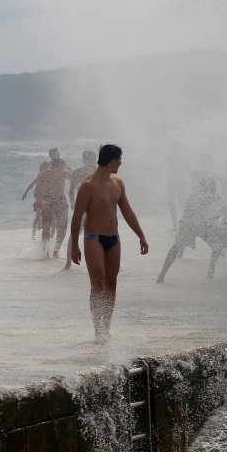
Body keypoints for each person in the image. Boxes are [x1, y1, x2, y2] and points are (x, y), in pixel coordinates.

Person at [70, 144, 149, 343]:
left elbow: (127, 211)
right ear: (112, 160)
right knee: (98, 283)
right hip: (93, 238)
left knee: (112, 284)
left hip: (114, 239)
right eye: (119, 159)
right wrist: (74, 246)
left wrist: (141, 235)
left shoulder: (118, 183)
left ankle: (106, 327)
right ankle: (98, 330)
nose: (121, 163)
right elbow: (77, 216)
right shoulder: (88, 185)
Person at [157, 177, 225, 283]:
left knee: (175, 248)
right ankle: (211, 272)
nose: (214, 189)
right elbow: (218, 212)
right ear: (209, 188)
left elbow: (187, 216)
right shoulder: (210, 197)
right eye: (212, 187)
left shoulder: (193, 197)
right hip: (197, 226)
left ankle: (162, 274)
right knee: (219, 245)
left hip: (193, 227)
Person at [63, 151, 98, 270]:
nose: (88, 161)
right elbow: (71, 190)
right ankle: (68, 263)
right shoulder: (77, 173)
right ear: (83, 160)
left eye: (91, 159)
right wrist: (72, 202)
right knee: (74, 234)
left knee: (102, 234)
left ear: (94, 160)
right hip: (82, 208)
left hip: (98, 208)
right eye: (86, 159)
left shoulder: (100, 172)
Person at [37, 158, 72, 257]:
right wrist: (38, 203)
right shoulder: (45, 173)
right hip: (47, 201)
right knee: (46, 228)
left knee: (62, 227)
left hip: (60, 200)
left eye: (63, 168)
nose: (62, 170)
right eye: (61, 168)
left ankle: (56, 251)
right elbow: (38, 188)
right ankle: (45, 252)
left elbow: (75, 181)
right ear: (54, 167)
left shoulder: (65, 172)